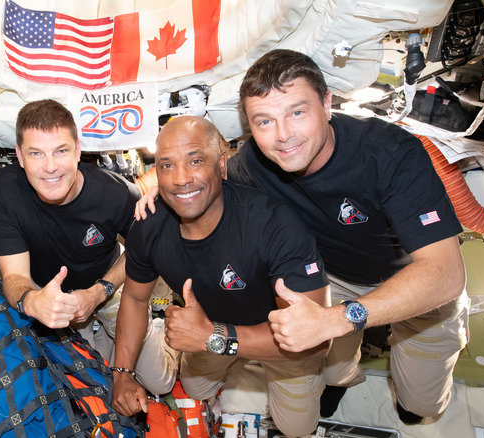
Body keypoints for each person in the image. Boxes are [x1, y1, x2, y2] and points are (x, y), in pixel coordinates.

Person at [137, 49, 469, 424]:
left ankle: (406, 391)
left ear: (327, 104)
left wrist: (340, 319)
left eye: (297, 112)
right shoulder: (253, 164)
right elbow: (201, 173)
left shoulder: (389, 153)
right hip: (333, 279)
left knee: (422, 406)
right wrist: (162, 188)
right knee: (328, 367)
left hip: (414, 278)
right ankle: (342, 376)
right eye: (264, 121)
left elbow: (445, 273)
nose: (283, 136)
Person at [113, 115, 330, 437]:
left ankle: (322, 374)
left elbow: (317, 340)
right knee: (197, 389)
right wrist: (121, 373)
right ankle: (227, 359)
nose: (180, 179)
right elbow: (133, 296)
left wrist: (214, 336)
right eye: (166, 166)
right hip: (209, 333)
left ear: (222, 164)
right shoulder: (149, 226)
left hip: (282, 341)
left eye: (195, 160)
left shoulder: (275, 224)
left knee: (297, 429)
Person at [0, 99, 160, 365]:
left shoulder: (118, 193)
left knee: (157, 381)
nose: (50, 166)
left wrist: (99, 292)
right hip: (45, 289)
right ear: (19, 156)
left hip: (108, 282)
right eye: (36, 153)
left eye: (61, 151)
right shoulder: (3, 190)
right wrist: (33, 302)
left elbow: (142, 250)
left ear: (78, 150)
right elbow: (15, 275)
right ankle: (96, 340)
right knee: (79, 378)